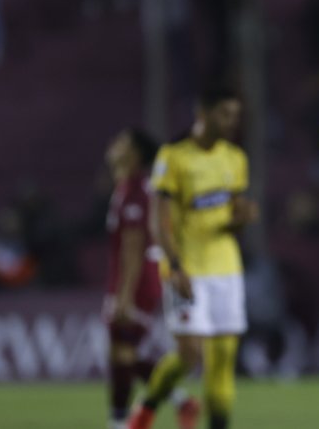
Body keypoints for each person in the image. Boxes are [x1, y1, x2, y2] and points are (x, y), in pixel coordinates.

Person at [129, 89, 258, 429]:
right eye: (225, 114)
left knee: (223, 359)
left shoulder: (235, 158)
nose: (231, 122)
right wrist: (174, 266)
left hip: (226, 268)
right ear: (203, 112)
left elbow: (230, 217)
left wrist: (242, 218)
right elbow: (159, 221)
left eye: (235, 115)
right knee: (189, 355)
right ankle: (146, 409)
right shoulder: (174, 157)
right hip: (187, 268)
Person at [103, 128, 200, 429]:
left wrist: (125, 294)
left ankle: (119, 422)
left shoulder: (134, 191)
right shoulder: (128, 187)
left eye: (122, 143)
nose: (114, 146)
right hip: (135, 277)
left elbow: (133, 247)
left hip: (136, 280)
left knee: (123, 351)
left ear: (135, 154)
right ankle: (181, 401)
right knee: (124, 353)